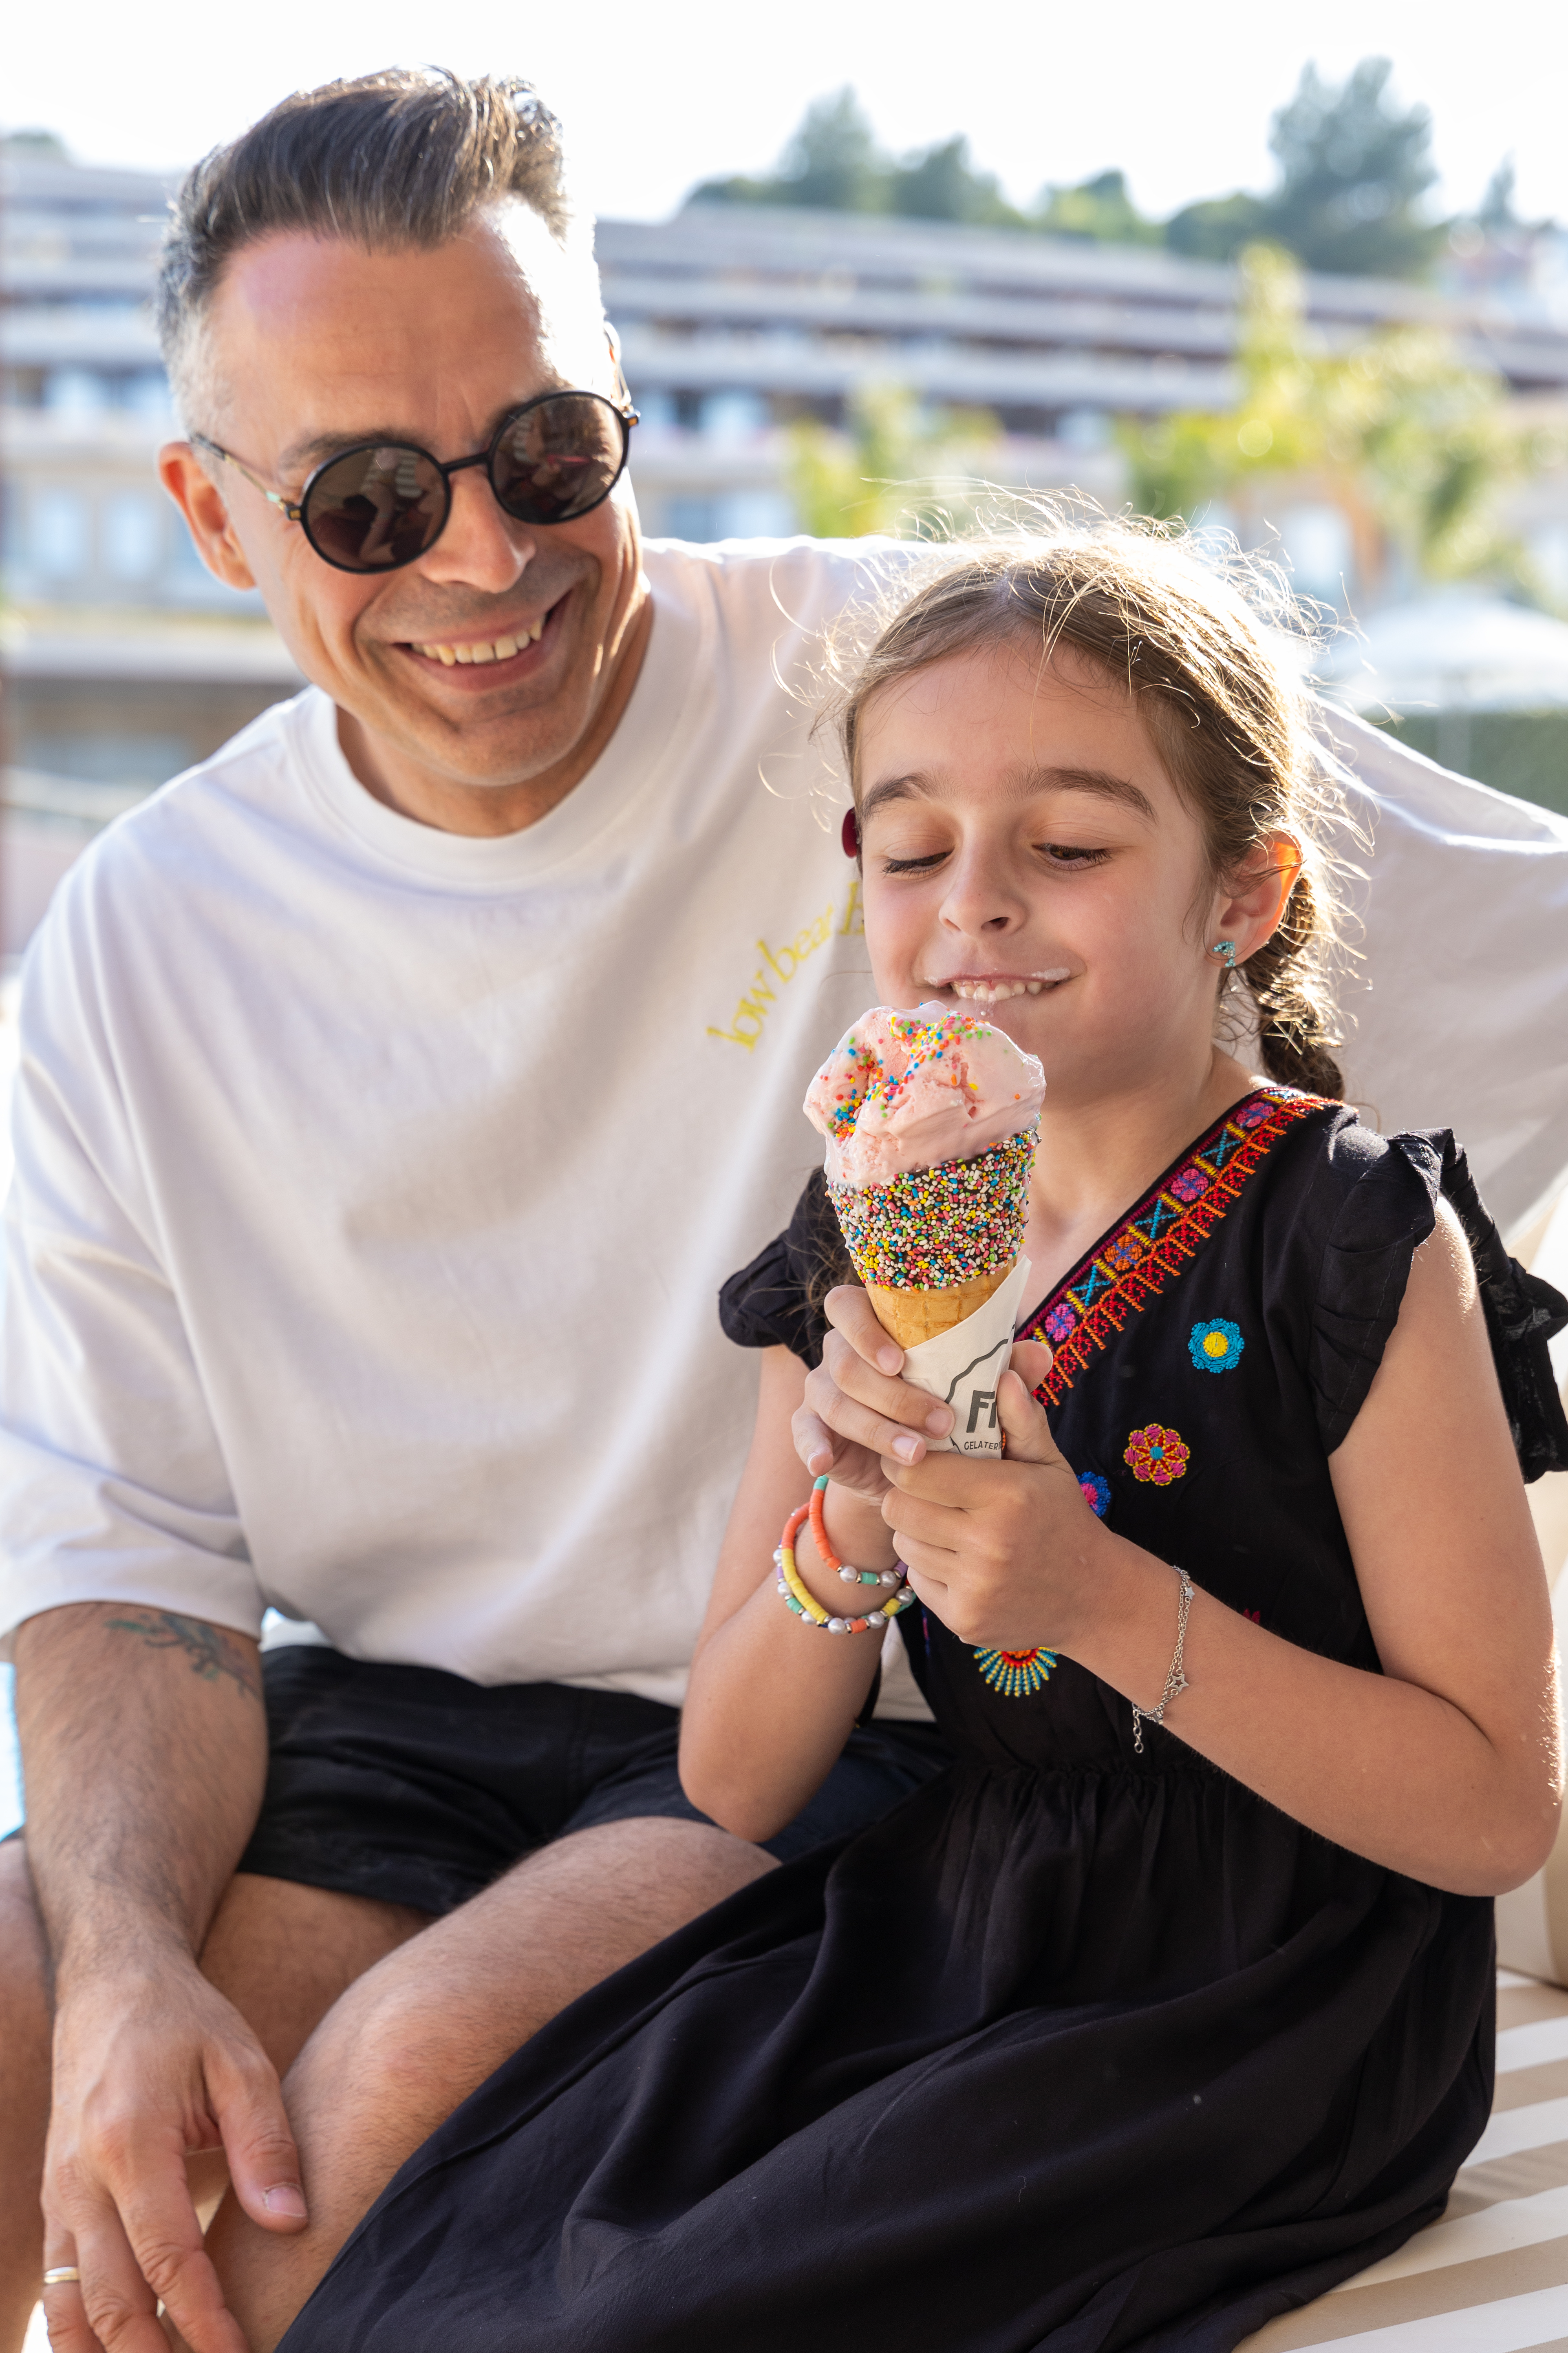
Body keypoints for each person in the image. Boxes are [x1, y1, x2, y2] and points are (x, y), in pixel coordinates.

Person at [4, 63, 1567, 2353]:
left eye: (550, 453)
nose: (482, 559)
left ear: (621, 399)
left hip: (855, 1773)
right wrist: (127, 1964)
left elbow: (1474, 936)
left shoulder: (945, 683)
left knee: (295, 2199)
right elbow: (126, 1556)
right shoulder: (140, 937)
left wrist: (1093, 1571)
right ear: (211, 518)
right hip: (391, 1725)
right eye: (365, 498)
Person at [269, 525, 1568, 2353]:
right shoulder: (868, 1230)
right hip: (962, 1918)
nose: (975, 905)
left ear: (1243, 892)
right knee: (464, 2252)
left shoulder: (1343, 1233)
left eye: (1068, 847)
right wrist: (849, 1524)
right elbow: (735, 1780)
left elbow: (1493, 1810)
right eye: (911, 847)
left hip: (1266, 1997)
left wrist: (1098, 1600)